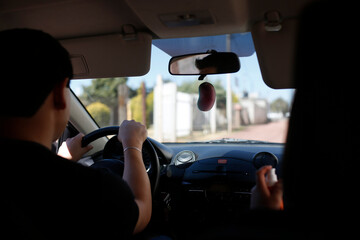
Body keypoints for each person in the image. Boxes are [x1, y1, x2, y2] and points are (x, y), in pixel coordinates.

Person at [0, 28, 151, 239]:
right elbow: (140, 210)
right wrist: (132, 145)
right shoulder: (90, 192)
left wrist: (62, 159)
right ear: (59, 94)